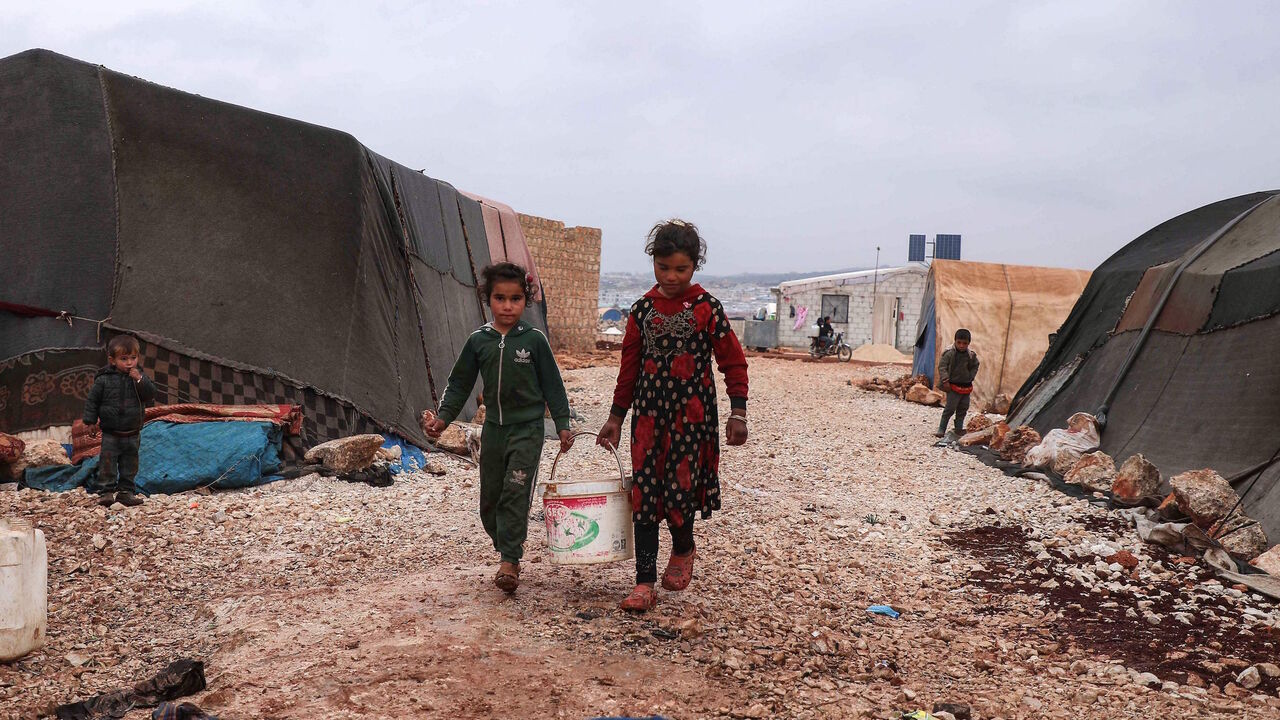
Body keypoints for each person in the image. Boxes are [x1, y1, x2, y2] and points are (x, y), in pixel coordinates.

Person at [598, 219, 749, 613]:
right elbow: (628, 367)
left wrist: (739, 411)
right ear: (653, 263)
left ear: (695, 266)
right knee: (644, 496)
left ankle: (683, 549)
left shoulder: (706, 309)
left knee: (681, 493)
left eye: (680, 269)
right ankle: (644, 582)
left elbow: (732, 361)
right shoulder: (642, 310)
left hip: (692, 420)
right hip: (647, 419)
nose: (670, 276)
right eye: (663, 268)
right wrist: (616, 416)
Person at [421, 262, 573, 594]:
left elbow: (553, 386)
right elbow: (459, 384)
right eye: (500, 298)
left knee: (515, 492)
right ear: (488, 299)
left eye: (516, 299)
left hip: (528, 431)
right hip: (493, 431)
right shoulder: (479, 341)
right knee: (490, 500)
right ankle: (503, 542)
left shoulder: (534, 341)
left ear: (525, 300)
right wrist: (443, 419)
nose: (508, 306)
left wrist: (563, 425)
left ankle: (510, 559)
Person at [83, 335, 157, 507]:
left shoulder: (139, 378)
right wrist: (90, 421)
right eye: (124, 359)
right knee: (107, 464)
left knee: (129, 465)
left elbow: (151, 394)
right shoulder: (104, 379)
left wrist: (139, 379)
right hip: (111, 433)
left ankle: (126, 493)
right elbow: (92, 401)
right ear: (112, 360)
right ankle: (106, 492)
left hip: (132, 432)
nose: (129, 363)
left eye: (133, 358)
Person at [936, 328, 980, 437]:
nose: (961, 345)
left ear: (968, 343)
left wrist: (971, 376)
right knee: (950, 408)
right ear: (955, 341)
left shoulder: (971, 355)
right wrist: (945, 380)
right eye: (959, 342)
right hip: (952, 386)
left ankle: (958, 429)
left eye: (964, 343)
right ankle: (941, 429)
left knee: (963, 408)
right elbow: (942, 367)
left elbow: (975, 365)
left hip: (966, 386)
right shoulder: (949, 353)